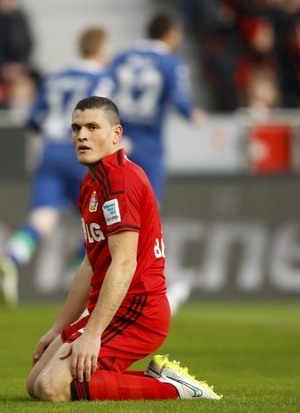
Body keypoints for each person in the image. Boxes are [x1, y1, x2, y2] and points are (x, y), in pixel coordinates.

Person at [26, 95, 222, 401]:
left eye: (93, 127)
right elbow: (91, 265)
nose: (82, 136)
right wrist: (58, 328)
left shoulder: (122, 180)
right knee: (35, 383)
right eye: (76, 128)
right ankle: (154, 378)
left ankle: (173, 389)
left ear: (116, 134)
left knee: (52, 388)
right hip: (114, 309)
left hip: (138, 311)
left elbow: (125, 263)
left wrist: (91, 334)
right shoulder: (92, 182)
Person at [0, 27, 112, 306]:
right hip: (81, 155)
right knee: (95, 225)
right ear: (100, 49)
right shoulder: (102, 80)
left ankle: (11, 257)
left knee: (42, 219)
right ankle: (76, 287)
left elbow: (32, 121)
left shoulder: (55, 78)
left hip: (50, 153)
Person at [105, 13, 203, 314]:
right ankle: (158, 291)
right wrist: (194, 115)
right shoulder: (170, 63)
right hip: (148, 150)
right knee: (145, 221)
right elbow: (182, 101)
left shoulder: (121, 58)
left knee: (114, 217)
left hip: (119, 143)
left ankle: (92, 282)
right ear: (170, 34)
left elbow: (101, 92)